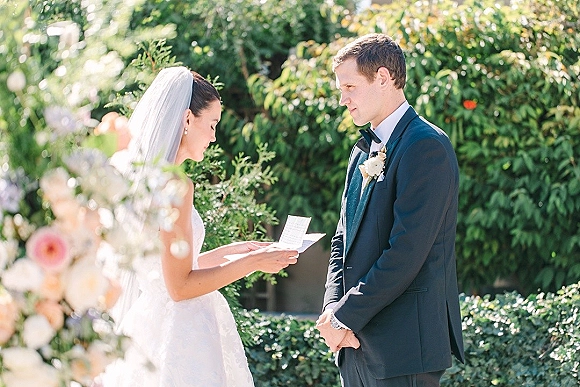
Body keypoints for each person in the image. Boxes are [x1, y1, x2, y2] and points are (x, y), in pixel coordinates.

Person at [98, 66, 298, 387]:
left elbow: (171, 271)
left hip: (150, 323)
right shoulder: (175, 185)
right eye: (212, 124)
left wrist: (232, 253)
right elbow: (180, 288)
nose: (214, 136)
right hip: (181, 334)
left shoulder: (148, 180)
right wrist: (253, 263)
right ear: (188, 120)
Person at [316, 33, 465, 387]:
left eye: (350, 86)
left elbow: (406, 252)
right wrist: (332, 309)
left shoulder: (426, 146)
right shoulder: (362, 151)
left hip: (403, 350)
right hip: (353, 345)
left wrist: (344, 318)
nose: (343, 99)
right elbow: (343, 240)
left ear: (383, 78)